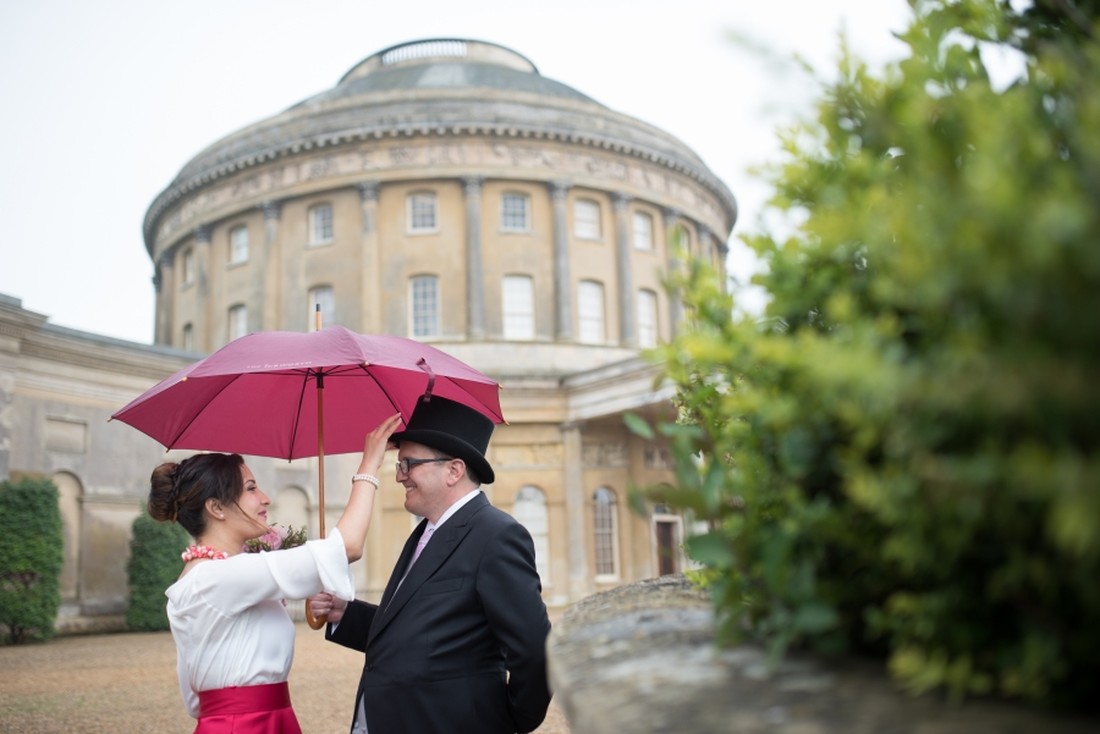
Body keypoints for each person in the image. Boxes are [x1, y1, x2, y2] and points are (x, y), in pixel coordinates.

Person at [309, 394, 553, 733]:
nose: (400, 476)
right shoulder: (426, 532)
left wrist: (509, 719)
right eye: (399, 465)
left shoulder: (496, 535)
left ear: (454, 470)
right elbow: (419, 632)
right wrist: (345, 614)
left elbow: (535, 650)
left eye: (408, 464)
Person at [146, 413, 403, 734]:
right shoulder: (221, 577)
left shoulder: (209, 576)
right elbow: (347, 546)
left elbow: (194, 699)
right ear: (216, 508)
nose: (265, 498)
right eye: (251, 488)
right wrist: (369, 466)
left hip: (264, 720)